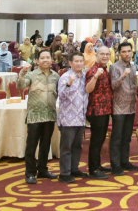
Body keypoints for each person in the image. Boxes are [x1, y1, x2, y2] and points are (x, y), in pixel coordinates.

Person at [17, 50, 59, 184]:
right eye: (42, 58)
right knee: (31, 146)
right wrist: (22, 72)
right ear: (37, 60)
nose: (45, 60)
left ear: (52, 60)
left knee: (45, 145)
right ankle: (30, 173)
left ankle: (43, 170)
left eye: (48, 57)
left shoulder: (56, 76)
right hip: (35, 115)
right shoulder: (31, 75)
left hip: (50, 114)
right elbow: (20, 86)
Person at [109, 43, 138, 175]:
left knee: (127, 137)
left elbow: (134, 86)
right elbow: (113, 86)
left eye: (129, 51)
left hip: (131, 107)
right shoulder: (114, 67)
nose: (127, 54)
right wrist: (122, 77)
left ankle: (124, 161)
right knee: (117, 137)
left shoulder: (133, 67)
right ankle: (115, 165)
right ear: (119, 53)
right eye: (124, 52)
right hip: (118, 108)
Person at [57, 52, 89, 183]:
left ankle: (74, 169)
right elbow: (61, 96)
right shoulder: (65, 77)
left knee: (77, 146)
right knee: (66, 147)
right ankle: (64, 173)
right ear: (70, 63)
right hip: (68, 119)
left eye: (81, 61)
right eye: (76, 61)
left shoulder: (84, 77)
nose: (79, 63)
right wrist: (69, 84)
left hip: (80, 117)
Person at [85, 46, 113, 179]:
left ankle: (98, 165)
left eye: (107, 54)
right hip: (96, 110)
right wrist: (95, 77)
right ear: (97, 56)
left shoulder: (105, 70)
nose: (105, 56)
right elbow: (88, 89)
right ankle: (93, 169)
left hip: (105, 110)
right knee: (96, 140)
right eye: (102, 54)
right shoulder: (93, 70)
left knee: (100, 139)